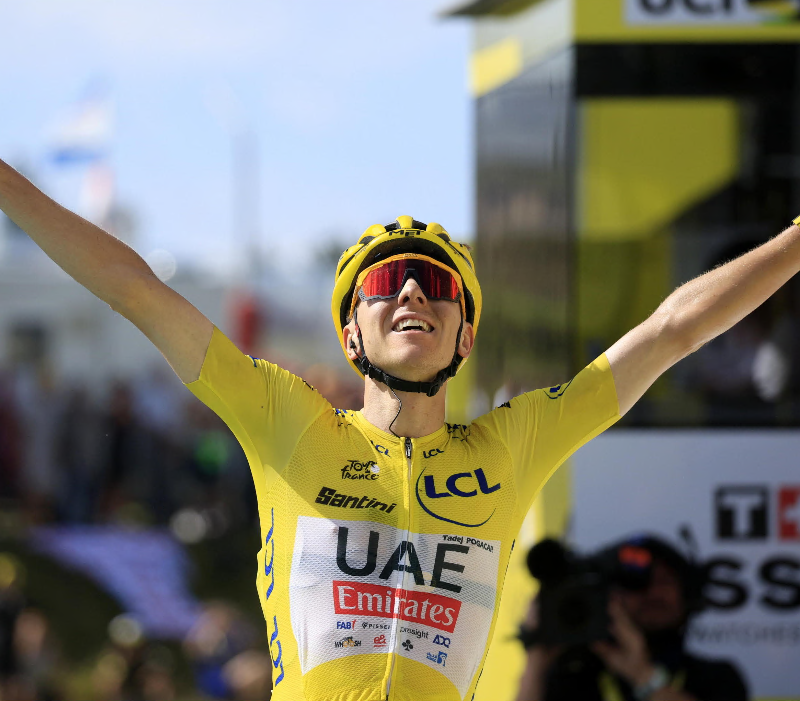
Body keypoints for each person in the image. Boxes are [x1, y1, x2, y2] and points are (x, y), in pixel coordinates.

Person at [1, 157, 799, 701]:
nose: (413, 288)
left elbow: (670, 331)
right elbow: (136, 291)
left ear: (465, 336)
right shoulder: (285, 418)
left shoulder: (512, 445)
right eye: (387, 280)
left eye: (438, 283)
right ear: (351, 335)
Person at [516, 536, 749, 701]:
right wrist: (536, 661)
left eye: (665, 582)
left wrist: (641, 675)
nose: (653, 594)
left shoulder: (717, 679)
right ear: (611, 599)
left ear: (687, 594)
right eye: (637, 586)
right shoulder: (573, 682)